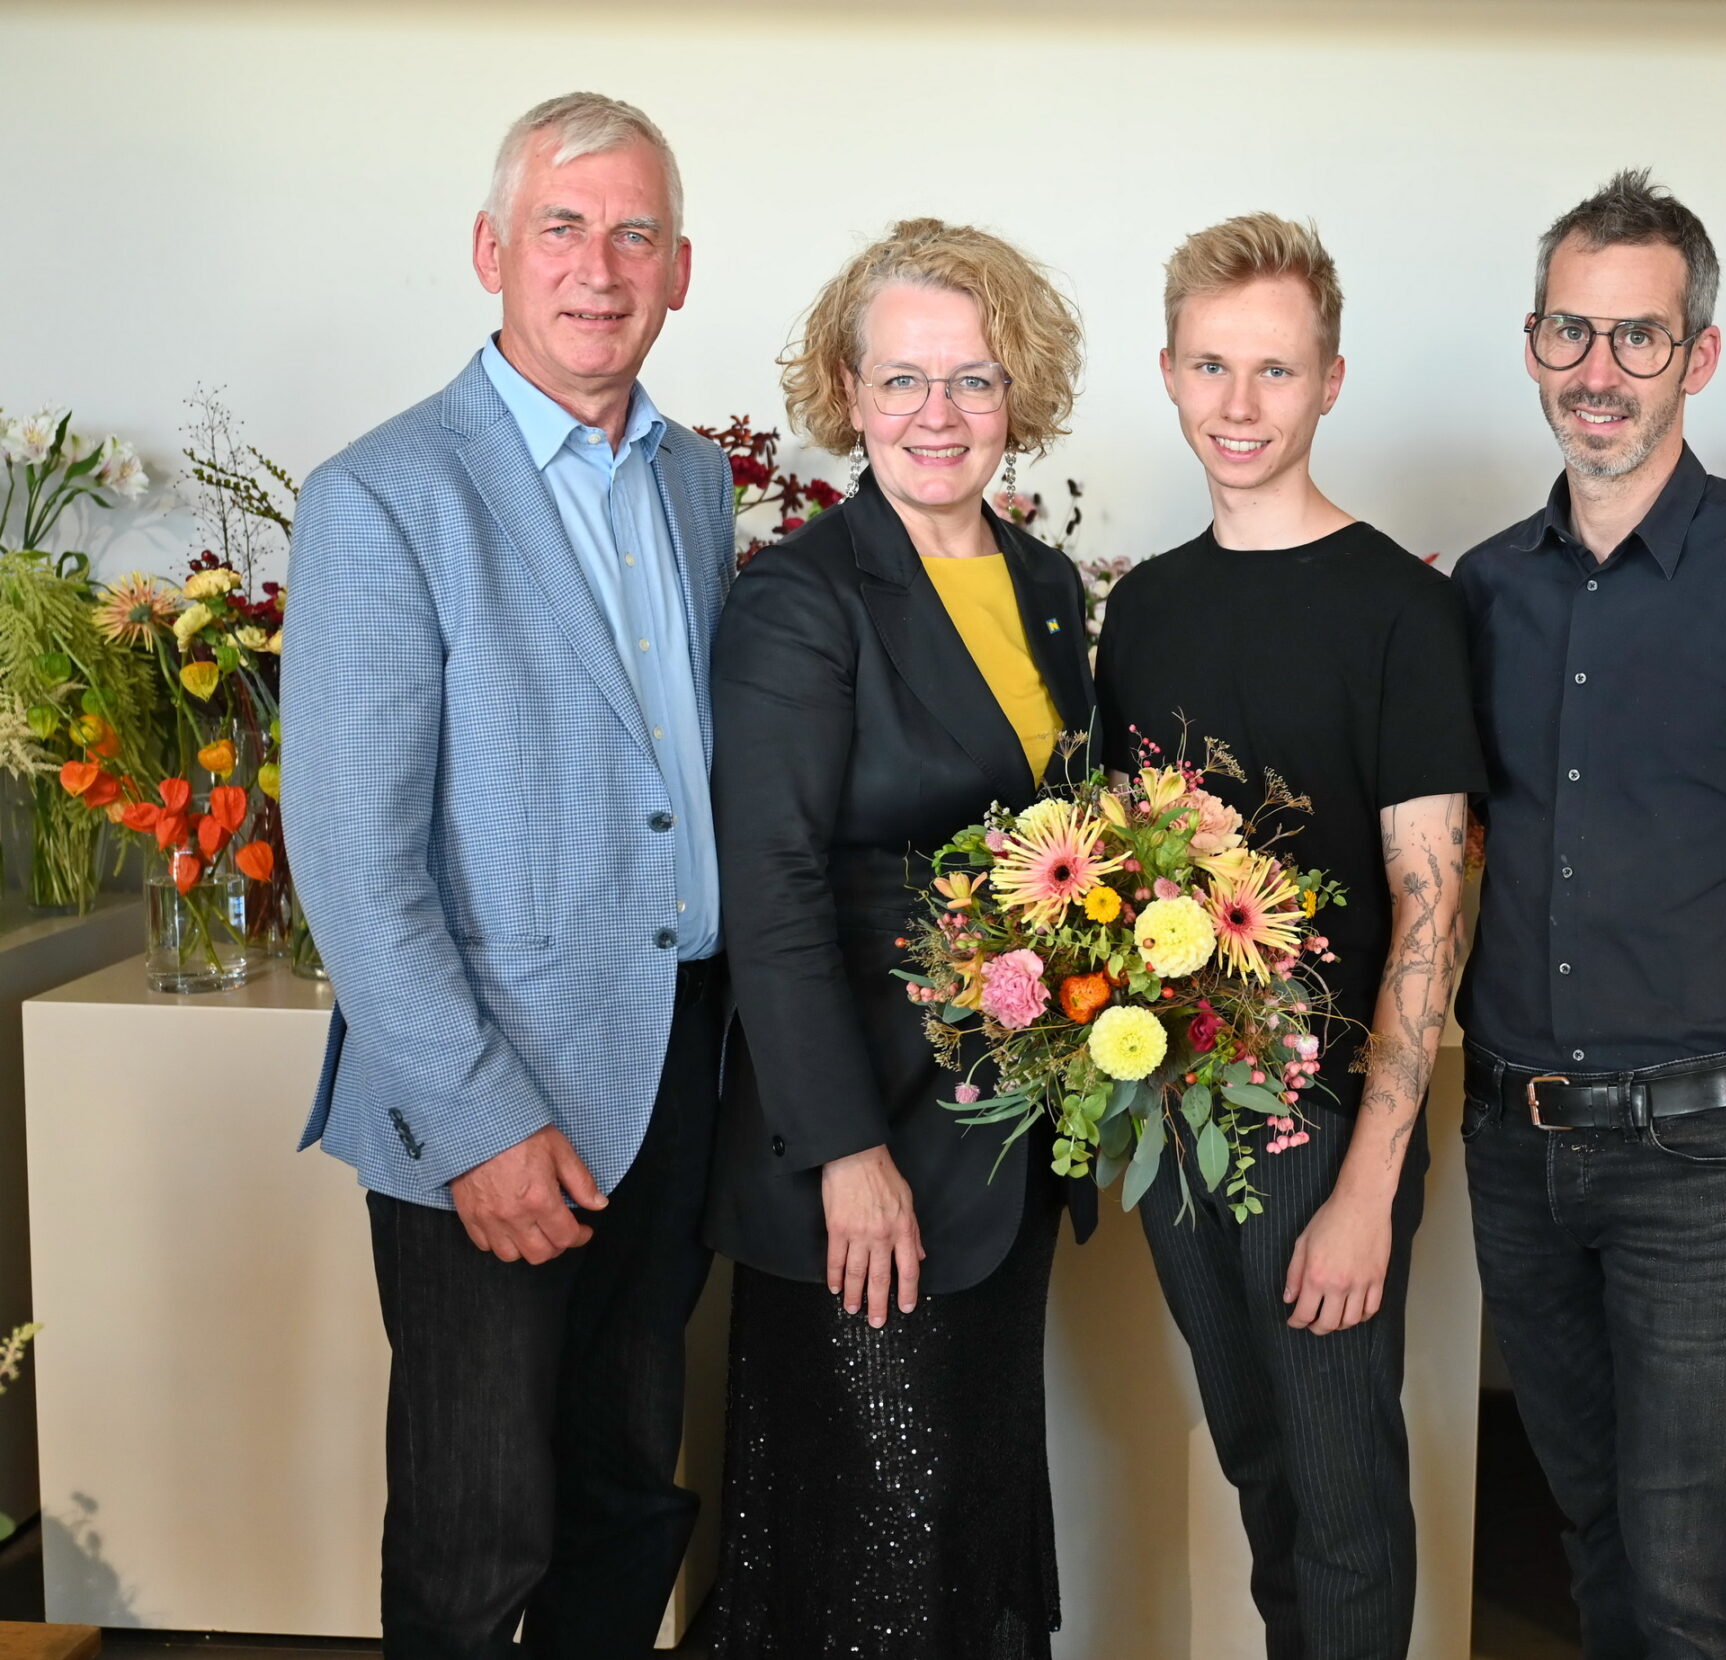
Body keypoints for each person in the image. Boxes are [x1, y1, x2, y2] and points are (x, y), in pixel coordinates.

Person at [284, 93, 731, 1657]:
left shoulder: (693, 483)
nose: (598, 268)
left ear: (681, 267)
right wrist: (482, 1124)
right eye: (562, 226)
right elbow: (351, 858)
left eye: (634, 234)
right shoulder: (384, 497)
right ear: (491, 251)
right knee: (482, 1544)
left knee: (627, 1503)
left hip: (673, 1070)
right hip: (487, 1099)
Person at [1450, 169, 1726, 1660]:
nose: (1599, 372)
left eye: (1636, 338)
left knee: (1694, 1578)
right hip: (1516, 1141)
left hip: (1703, 1154)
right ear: (1532, 345)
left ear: (1698, 355)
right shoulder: (1482, 589)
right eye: (1569, 334)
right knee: (1587, 1538)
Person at [702, 218, 1097, 1659]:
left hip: (1004, 1151)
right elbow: (776, 891)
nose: (939, 415)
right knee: (865, 1570)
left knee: (967, 1542)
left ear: (1021, 393)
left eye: (975, 380)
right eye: (905, 381)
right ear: (849, 394)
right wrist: (846, 1155)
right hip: (864, 1163)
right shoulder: (799, 600)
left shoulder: (1046, 591)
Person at [1093, 213, 1483, 1660]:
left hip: (1323, 1121)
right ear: (1170, 372)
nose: (1239, 405)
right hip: (1171, 1104)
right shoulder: (1145, 607)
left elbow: (1433, 907)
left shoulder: (1404, 610)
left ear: (1331, 382)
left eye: (1275, 369)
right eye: (1212, 366)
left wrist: (1369, 1182)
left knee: (1341, 1496)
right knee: (1258, 1465)